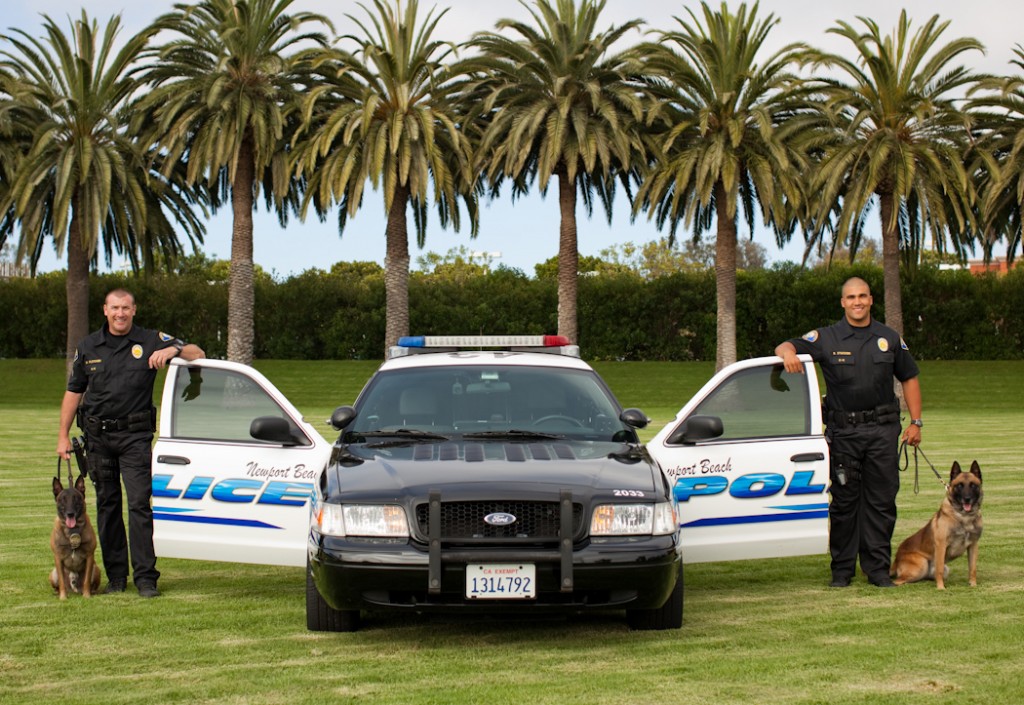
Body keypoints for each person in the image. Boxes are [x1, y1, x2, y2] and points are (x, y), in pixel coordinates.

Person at [56, 289, 205, 598]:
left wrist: (173, 352)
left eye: (125, 308)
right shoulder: (88, 346)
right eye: (114, 308)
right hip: (98, 438)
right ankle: (116, 578)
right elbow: (74, 391)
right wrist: (62, 435)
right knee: (107, 506)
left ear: (134, 310)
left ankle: (146, 578)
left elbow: (198, 354)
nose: (120, 313)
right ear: (105, 310)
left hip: (135, 438)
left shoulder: (150, 339)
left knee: (139, 505)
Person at [774, 277, 922, 588]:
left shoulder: (888, 337)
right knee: (844, 502)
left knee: (881, 502)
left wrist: (916, 422)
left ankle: (878, 570)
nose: (857, 301)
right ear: (843, 302)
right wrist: (788, 354)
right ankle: (842, 571)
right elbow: (787, 345)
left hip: (882, 431)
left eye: (863, 296)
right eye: (851, 297)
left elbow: (909, 377)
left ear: (871, 300)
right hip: (844, 434)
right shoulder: (826, 338)